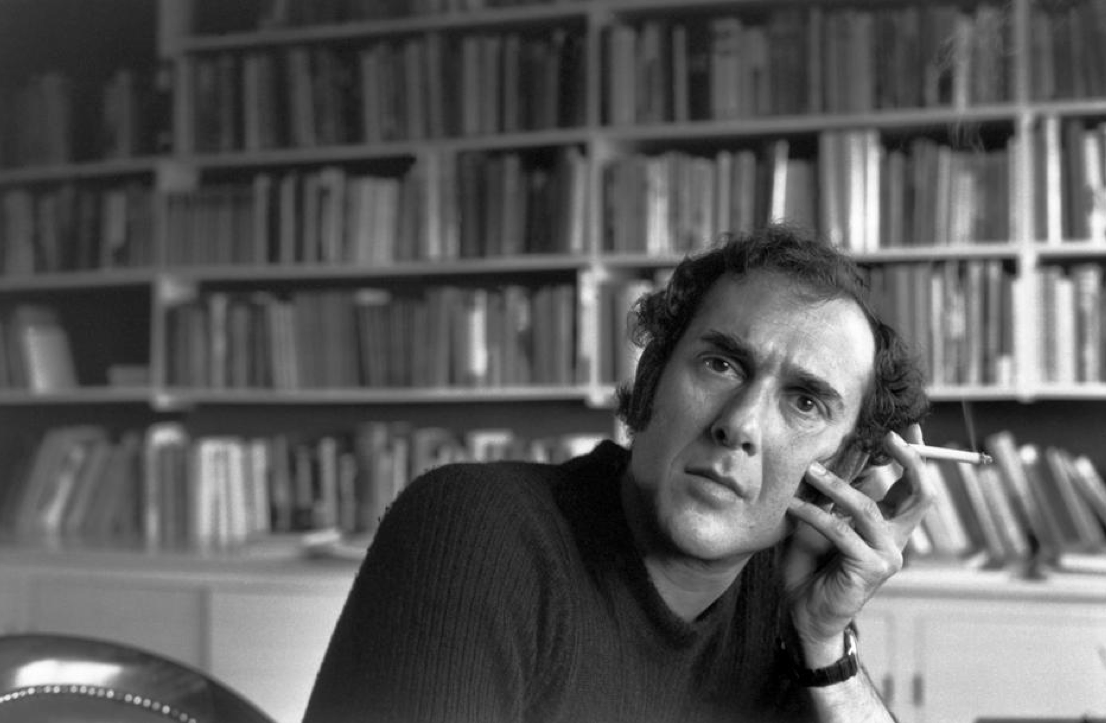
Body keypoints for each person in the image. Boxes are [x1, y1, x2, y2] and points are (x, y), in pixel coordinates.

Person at [302, 226, 934, 723]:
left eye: (805, 403)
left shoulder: (787, 602)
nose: (740, 424)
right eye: (721, 364)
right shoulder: (475, 531)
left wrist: (824, 646)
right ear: (653, 376)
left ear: (844, 470)